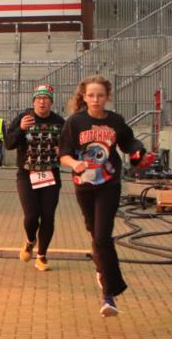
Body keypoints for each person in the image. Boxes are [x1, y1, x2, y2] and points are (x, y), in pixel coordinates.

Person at [58, 75, 153, 317]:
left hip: (109, 184)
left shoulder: (115, 121)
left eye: (100, 95)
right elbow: (64, 154)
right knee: (94, 233)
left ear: (107, 96)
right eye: (91, 95)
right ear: (84, 97)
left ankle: (109, 295)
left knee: (102, 236)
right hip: (84, 186)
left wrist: (137, 153)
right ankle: (102, 270)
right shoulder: (75, 122)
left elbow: (129, 142)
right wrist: (75, 164)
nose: (96, 99)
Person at [4, 84, 66, 272]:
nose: (42, 101)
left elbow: (69, 147)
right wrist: (21, 129)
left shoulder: (60, 122)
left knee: (48, 216)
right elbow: (8, 144)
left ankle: (42, 255)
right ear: (33, 102)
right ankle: (31, 240)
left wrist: (62, 150)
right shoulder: (24, 118)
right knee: (31, 216)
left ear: (51, 102)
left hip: (51, 174)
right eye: (38, 98)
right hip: (27, 174)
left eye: (46, 98)